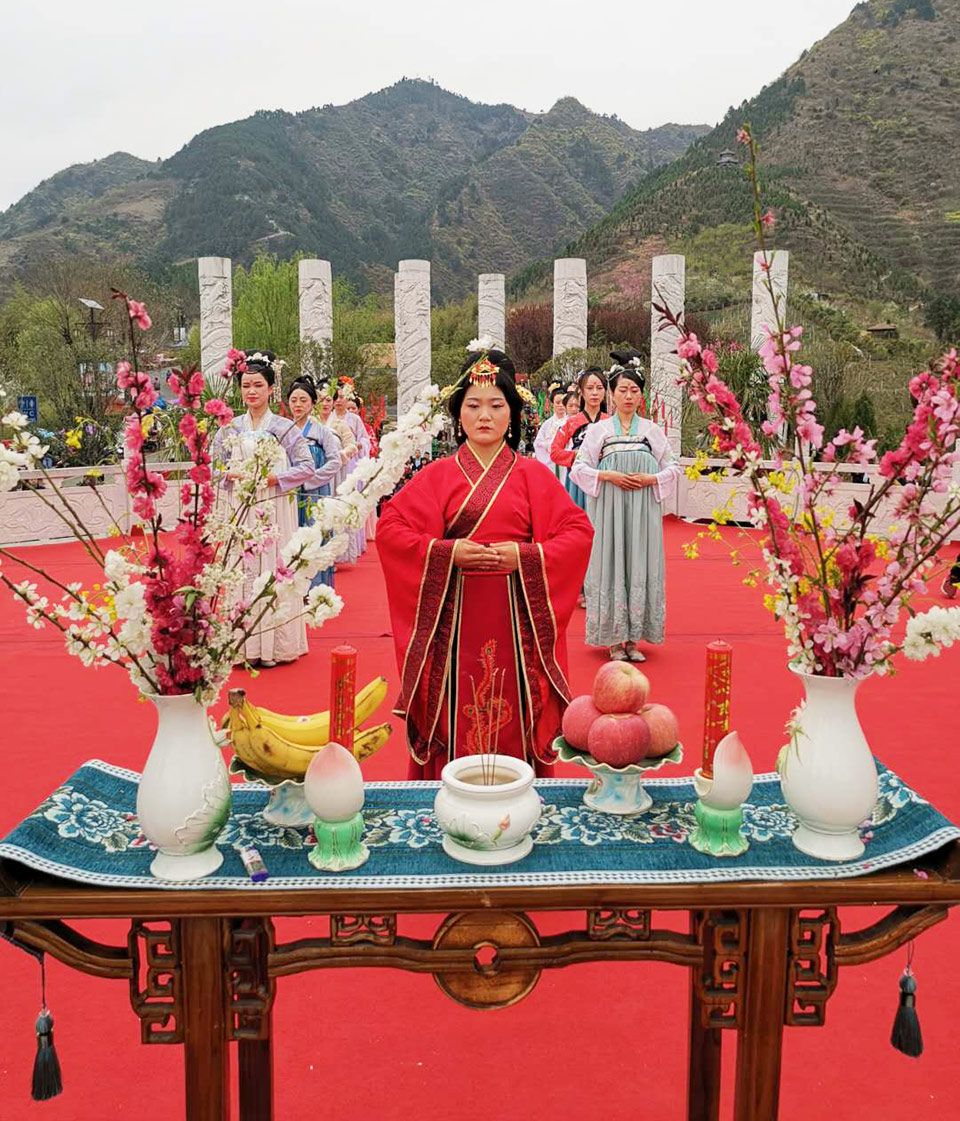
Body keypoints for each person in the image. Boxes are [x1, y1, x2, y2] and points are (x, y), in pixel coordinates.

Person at [377, 346, 594, 779]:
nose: (484, 416)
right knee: (457, 710)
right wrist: (447, 552)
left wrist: (527, 556)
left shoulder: (533, 475)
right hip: (453, 624)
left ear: (511, 415)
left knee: (512, 709)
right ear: (458, 415)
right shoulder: (437, 475)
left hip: (516, 622)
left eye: (497, 405)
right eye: (473, 406)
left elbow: (577, 532)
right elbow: (391, 529)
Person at [570, 360, 680, 663]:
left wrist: (651, 479)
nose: (628, 396)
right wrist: (609, 476)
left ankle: (634, 639)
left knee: (640, 560)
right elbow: (579, 468)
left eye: (634, 390)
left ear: (640, 396)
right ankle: (614, 640)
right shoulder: (599, 431)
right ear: (612, 395)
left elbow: (673, 467)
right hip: (610, 506)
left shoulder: (652, 430)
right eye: (622, 390)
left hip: (643, 506)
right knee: (612, 560)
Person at [211, 351, 315, 667]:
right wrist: (229, 474)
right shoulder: (228, 429)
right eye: (246, 385)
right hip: (239, 511)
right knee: (241, 568)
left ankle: (274, 646)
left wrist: (273, 478)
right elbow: (213, 466)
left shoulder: (284, 428)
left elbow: (307, 466)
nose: (252, 391)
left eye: (258, 385)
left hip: (273, 511)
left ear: (271, 389)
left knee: (273, 567)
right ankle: (241, 645)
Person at [287, 375, 343, 588]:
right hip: (291, 492)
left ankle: (316, 585)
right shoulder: (284, 430)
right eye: (294, 400)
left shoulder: (322, 431)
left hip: (315, 492)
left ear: (312, 403)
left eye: (303, 400)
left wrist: (311, 479)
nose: (298, 405)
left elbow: (335, 461)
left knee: (314, 533)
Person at [550, 368, 609, 511]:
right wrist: (577, 455)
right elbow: (554, 452)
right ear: (581, 392)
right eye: (589, 388)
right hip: (579, 479)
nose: (594, 392)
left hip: (605, 479)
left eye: (599, 388)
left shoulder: (611, 422)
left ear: (605, 392)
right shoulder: (572, 422)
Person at [533, 384, 569, 486]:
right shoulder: (547, 424)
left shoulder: (571, 421)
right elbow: (538, 443)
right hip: (551, 462)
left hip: (566, 461)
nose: (561, 405)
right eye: (557, 402)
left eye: (563, 402)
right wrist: (549, 445)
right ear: (552, 404)